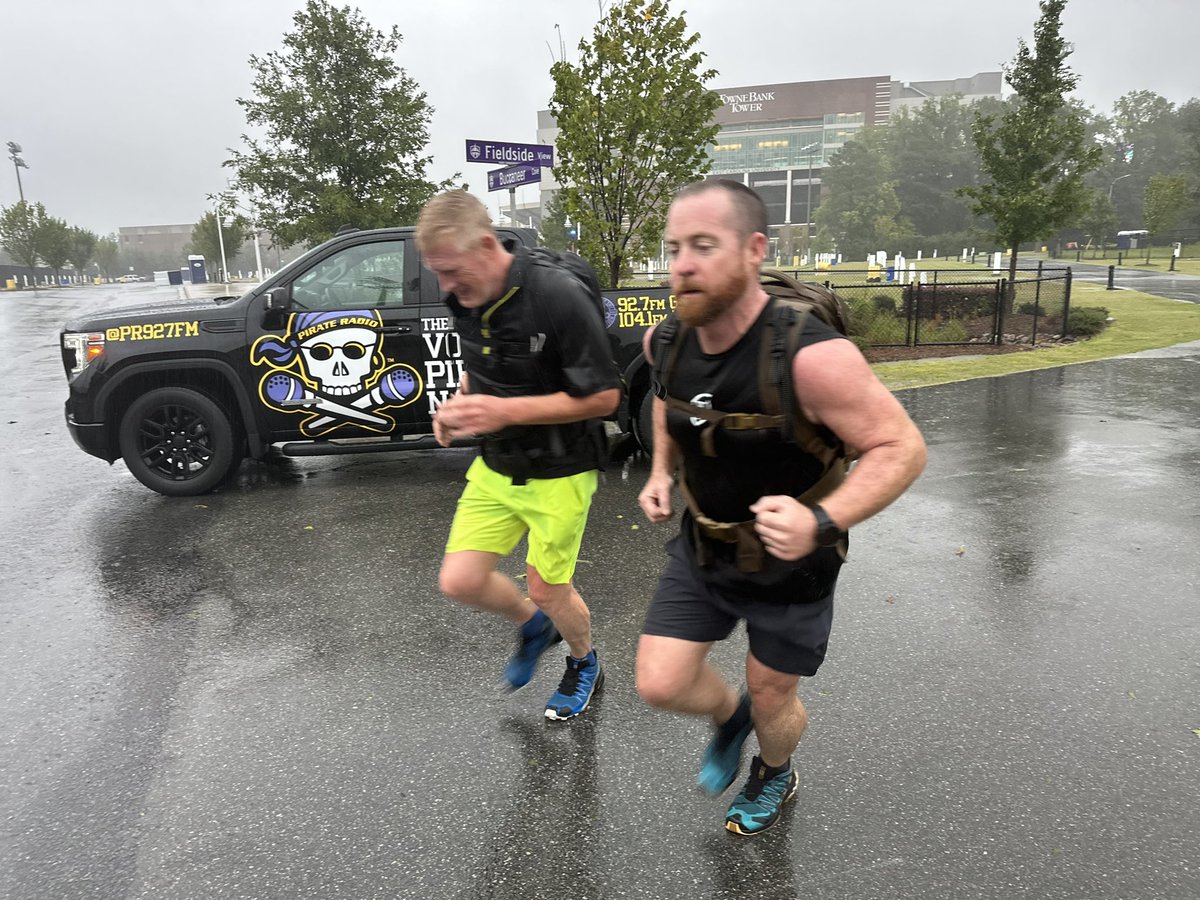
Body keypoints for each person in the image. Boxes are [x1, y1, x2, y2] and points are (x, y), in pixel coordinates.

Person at [635, 179, 927, 834]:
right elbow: (664, 399)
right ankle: (728, 717)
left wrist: (822, 519)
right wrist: (661, 470)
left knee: (774, 697)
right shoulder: (668, 341)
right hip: (705, 544)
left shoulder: (813, 357)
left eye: (704, 245)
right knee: (660, 681)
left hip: (793, 568)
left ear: (753, 250)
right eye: (675, 246)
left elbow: (900, 447)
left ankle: (775, 771)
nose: (682, 262)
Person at [415, 190, 621, 720]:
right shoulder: (465, 296)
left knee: (548, 587)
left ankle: (584, 663)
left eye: (451, 270)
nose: (446, 286)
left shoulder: (555, 295)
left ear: (486, 245)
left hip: (562, 470)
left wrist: (505, 414)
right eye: (437, 273)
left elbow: (604, 397)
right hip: (498, 465)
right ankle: (534, 627)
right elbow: (481, 368)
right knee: (460, 580)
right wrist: (457, 406)